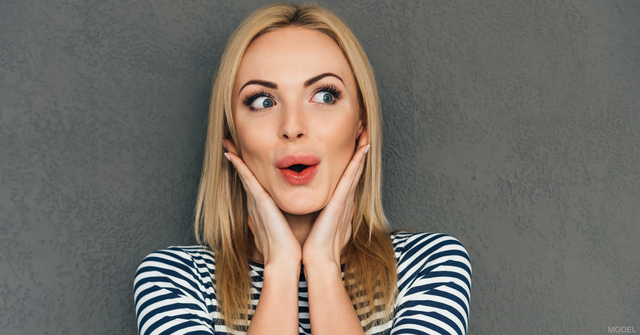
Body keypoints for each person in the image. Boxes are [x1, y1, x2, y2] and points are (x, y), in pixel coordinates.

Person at [133, 3, 471, 335]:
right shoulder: (175, 280)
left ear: (361, 124)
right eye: (263, 101)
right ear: (231, 133)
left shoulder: (429, 265)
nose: (292, 127)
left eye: (324, 96)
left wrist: (322, 265)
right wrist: (280, 268)